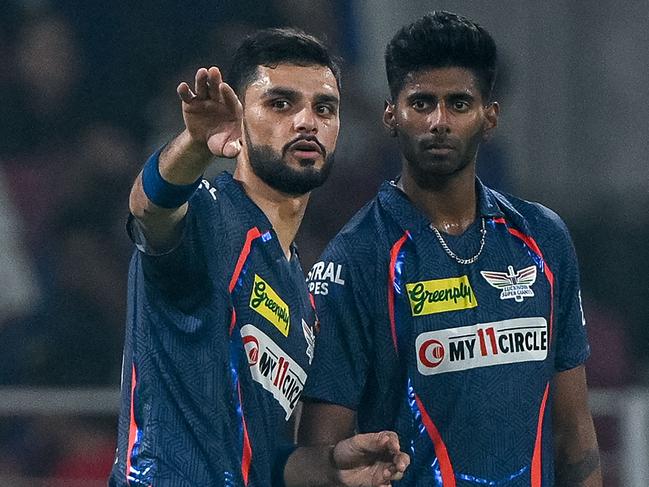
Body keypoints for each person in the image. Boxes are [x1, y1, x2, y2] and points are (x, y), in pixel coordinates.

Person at [299, 12, 602, 486]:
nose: (439, 121)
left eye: (459, 104)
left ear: (489, 117)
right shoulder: (354, 260)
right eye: (422, 103)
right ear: (390, 115)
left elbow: (576, 439)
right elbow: (319, 457)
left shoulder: (544, 238)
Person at [109, 28, 409, 487]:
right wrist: (193, 144)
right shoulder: (211, 215)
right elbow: (148, 211)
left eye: (324, 108)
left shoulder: (301, 294)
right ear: (238, 123)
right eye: (281, 104)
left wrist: (333, 466)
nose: (307, 121)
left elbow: (265, 461)